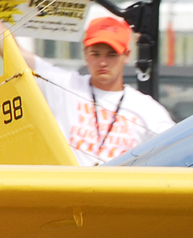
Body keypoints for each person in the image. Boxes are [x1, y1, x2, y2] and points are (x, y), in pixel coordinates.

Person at [7, 15, 174, 164]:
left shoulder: (146, 108)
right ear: (85, 54)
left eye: (111, 55)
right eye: (96, 54)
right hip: (68, 192)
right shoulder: (65, 85)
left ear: (127, 55)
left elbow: (175, 148)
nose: (102, 62)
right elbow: (12, 49)